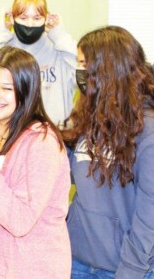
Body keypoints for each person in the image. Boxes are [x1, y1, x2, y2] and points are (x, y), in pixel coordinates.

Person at [0, 46, 71, 278]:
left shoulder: (42, 141)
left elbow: (20, 220)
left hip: (31, 267)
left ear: (25, 91)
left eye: (6, 89)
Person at [64, 26, 154, 279]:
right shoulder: (90, 117)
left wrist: (131, 271)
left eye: (85, 64)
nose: (79, 72)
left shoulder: (148, 132)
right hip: (77, 261)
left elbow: (149, 218)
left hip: (125, 268)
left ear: (109, 69)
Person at [0, 0, 77, 127]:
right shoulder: (3, 48)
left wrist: (60, 35)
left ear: (46, 18)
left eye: (36, 18)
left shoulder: (59, 48)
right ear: (12, 18)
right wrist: (0, 32)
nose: (30, 24)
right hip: (12, 137)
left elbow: (85, 76)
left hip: (57, 135)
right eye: (23, 18)